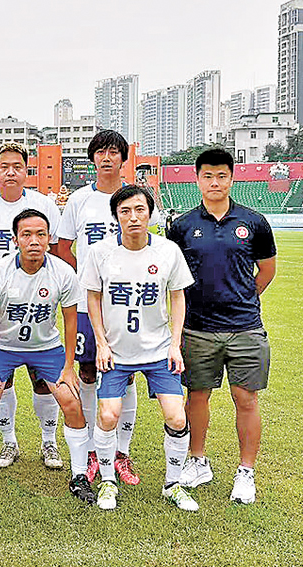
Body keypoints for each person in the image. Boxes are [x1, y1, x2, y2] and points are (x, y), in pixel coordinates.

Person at [168, 149, 276, 505]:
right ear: (197, 179)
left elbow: (267, 271)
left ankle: (246, 472)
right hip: (197, 328)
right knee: (197, 396)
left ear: (232, 178)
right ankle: (197, 461)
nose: (215, 183)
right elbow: (174, 278)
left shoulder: (254, 222)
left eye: (222, 176)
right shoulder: (182, 226)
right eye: (208, 176)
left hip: (244, 327)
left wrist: (242, 298)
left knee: (245, 398)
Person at [81, 185, 198, 512]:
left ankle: (172, 485)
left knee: (176, 416)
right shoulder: (100, 252)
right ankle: (107, 480)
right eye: (125, 211)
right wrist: (101, 343)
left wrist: (175, 345)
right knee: (108, 415)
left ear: (150, 213)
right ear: (116, 216)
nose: (133, 217)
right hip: (116, 353)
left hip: (159, 351)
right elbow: (92, 295)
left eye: (139, 210)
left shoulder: (167, 251)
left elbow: (177, 296)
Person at [0, 208, 94, 504]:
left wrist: (68, 367)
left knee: (72, 402)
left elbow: (71, 318)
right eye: (26, 234)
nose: (34, 240)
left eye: (40, 234)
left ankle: (79, 476)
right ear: (15, 239)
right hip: (3, 346)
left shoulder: (62, 271)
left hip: (46, 347)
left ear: (49, 238)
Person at [0, 142, 64, 471]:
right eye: (4, 166)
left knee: (43, 380)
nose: (11, 172)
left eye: (17, 166)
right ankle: (9, 442)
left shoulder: (43, 204)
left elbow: (56, 250)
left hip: (37, 309)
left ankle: (48, 442)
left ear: (26, 169)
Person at [54, 130, 149, 486]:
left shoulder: (136, 199)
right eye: (100, 152)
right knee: (90, 372)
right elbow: (64, 248)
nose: (106, 158)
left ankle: (122, 453)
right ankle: (95, 450)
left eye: (113, 152)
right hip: (86, 302)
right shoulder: (79, 200)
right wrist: (90, 277)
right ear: (92, 158)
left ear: (124, 158)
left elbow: (145, 246)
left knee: (127, 375)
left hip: (128, 302)